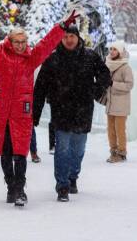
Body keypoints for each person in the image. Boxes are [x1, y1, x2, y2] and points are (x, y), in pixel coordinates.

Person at [0, 2, 79, 207]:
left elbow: (47, 44)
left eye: (23, 41)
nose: (20, 45)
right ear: (9, 41)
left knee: (20, 153)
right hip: (0, 112)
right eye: (17, 41)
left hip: (21, 113)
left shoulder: (31, 58)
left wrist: (62, 27)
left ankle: (20, 189)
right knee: (5, 152)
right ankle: (10, 186)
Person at [33, 25, 111, 202]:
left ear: (78, 37)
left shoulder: (90, 56)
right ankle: (62, 186)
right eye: (66, 36)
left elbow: (105, 76)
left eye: (72, 36)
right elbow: (40, 88)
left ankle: (73, 177)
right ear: (61, 39)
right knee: (62, 149)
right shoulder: (52, 59)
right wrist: (35, 114)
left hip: (83, 110)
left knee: (78, 150)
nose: (69, 40)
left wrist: (94, 90)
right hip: (60, 111)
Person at [105, 41, 133, 163]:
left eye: (115, 49)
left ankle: (121, 153)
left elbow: (129, 85)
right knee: (110, 129)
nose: (112, 51)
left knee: (119, 130)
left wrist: (113, 84)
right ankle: (113, 151)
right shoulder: (108, 64)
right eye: (111, 49)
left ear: (120, 52)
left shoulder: (125, 67)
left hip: (121, 104)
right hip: (110, 103)